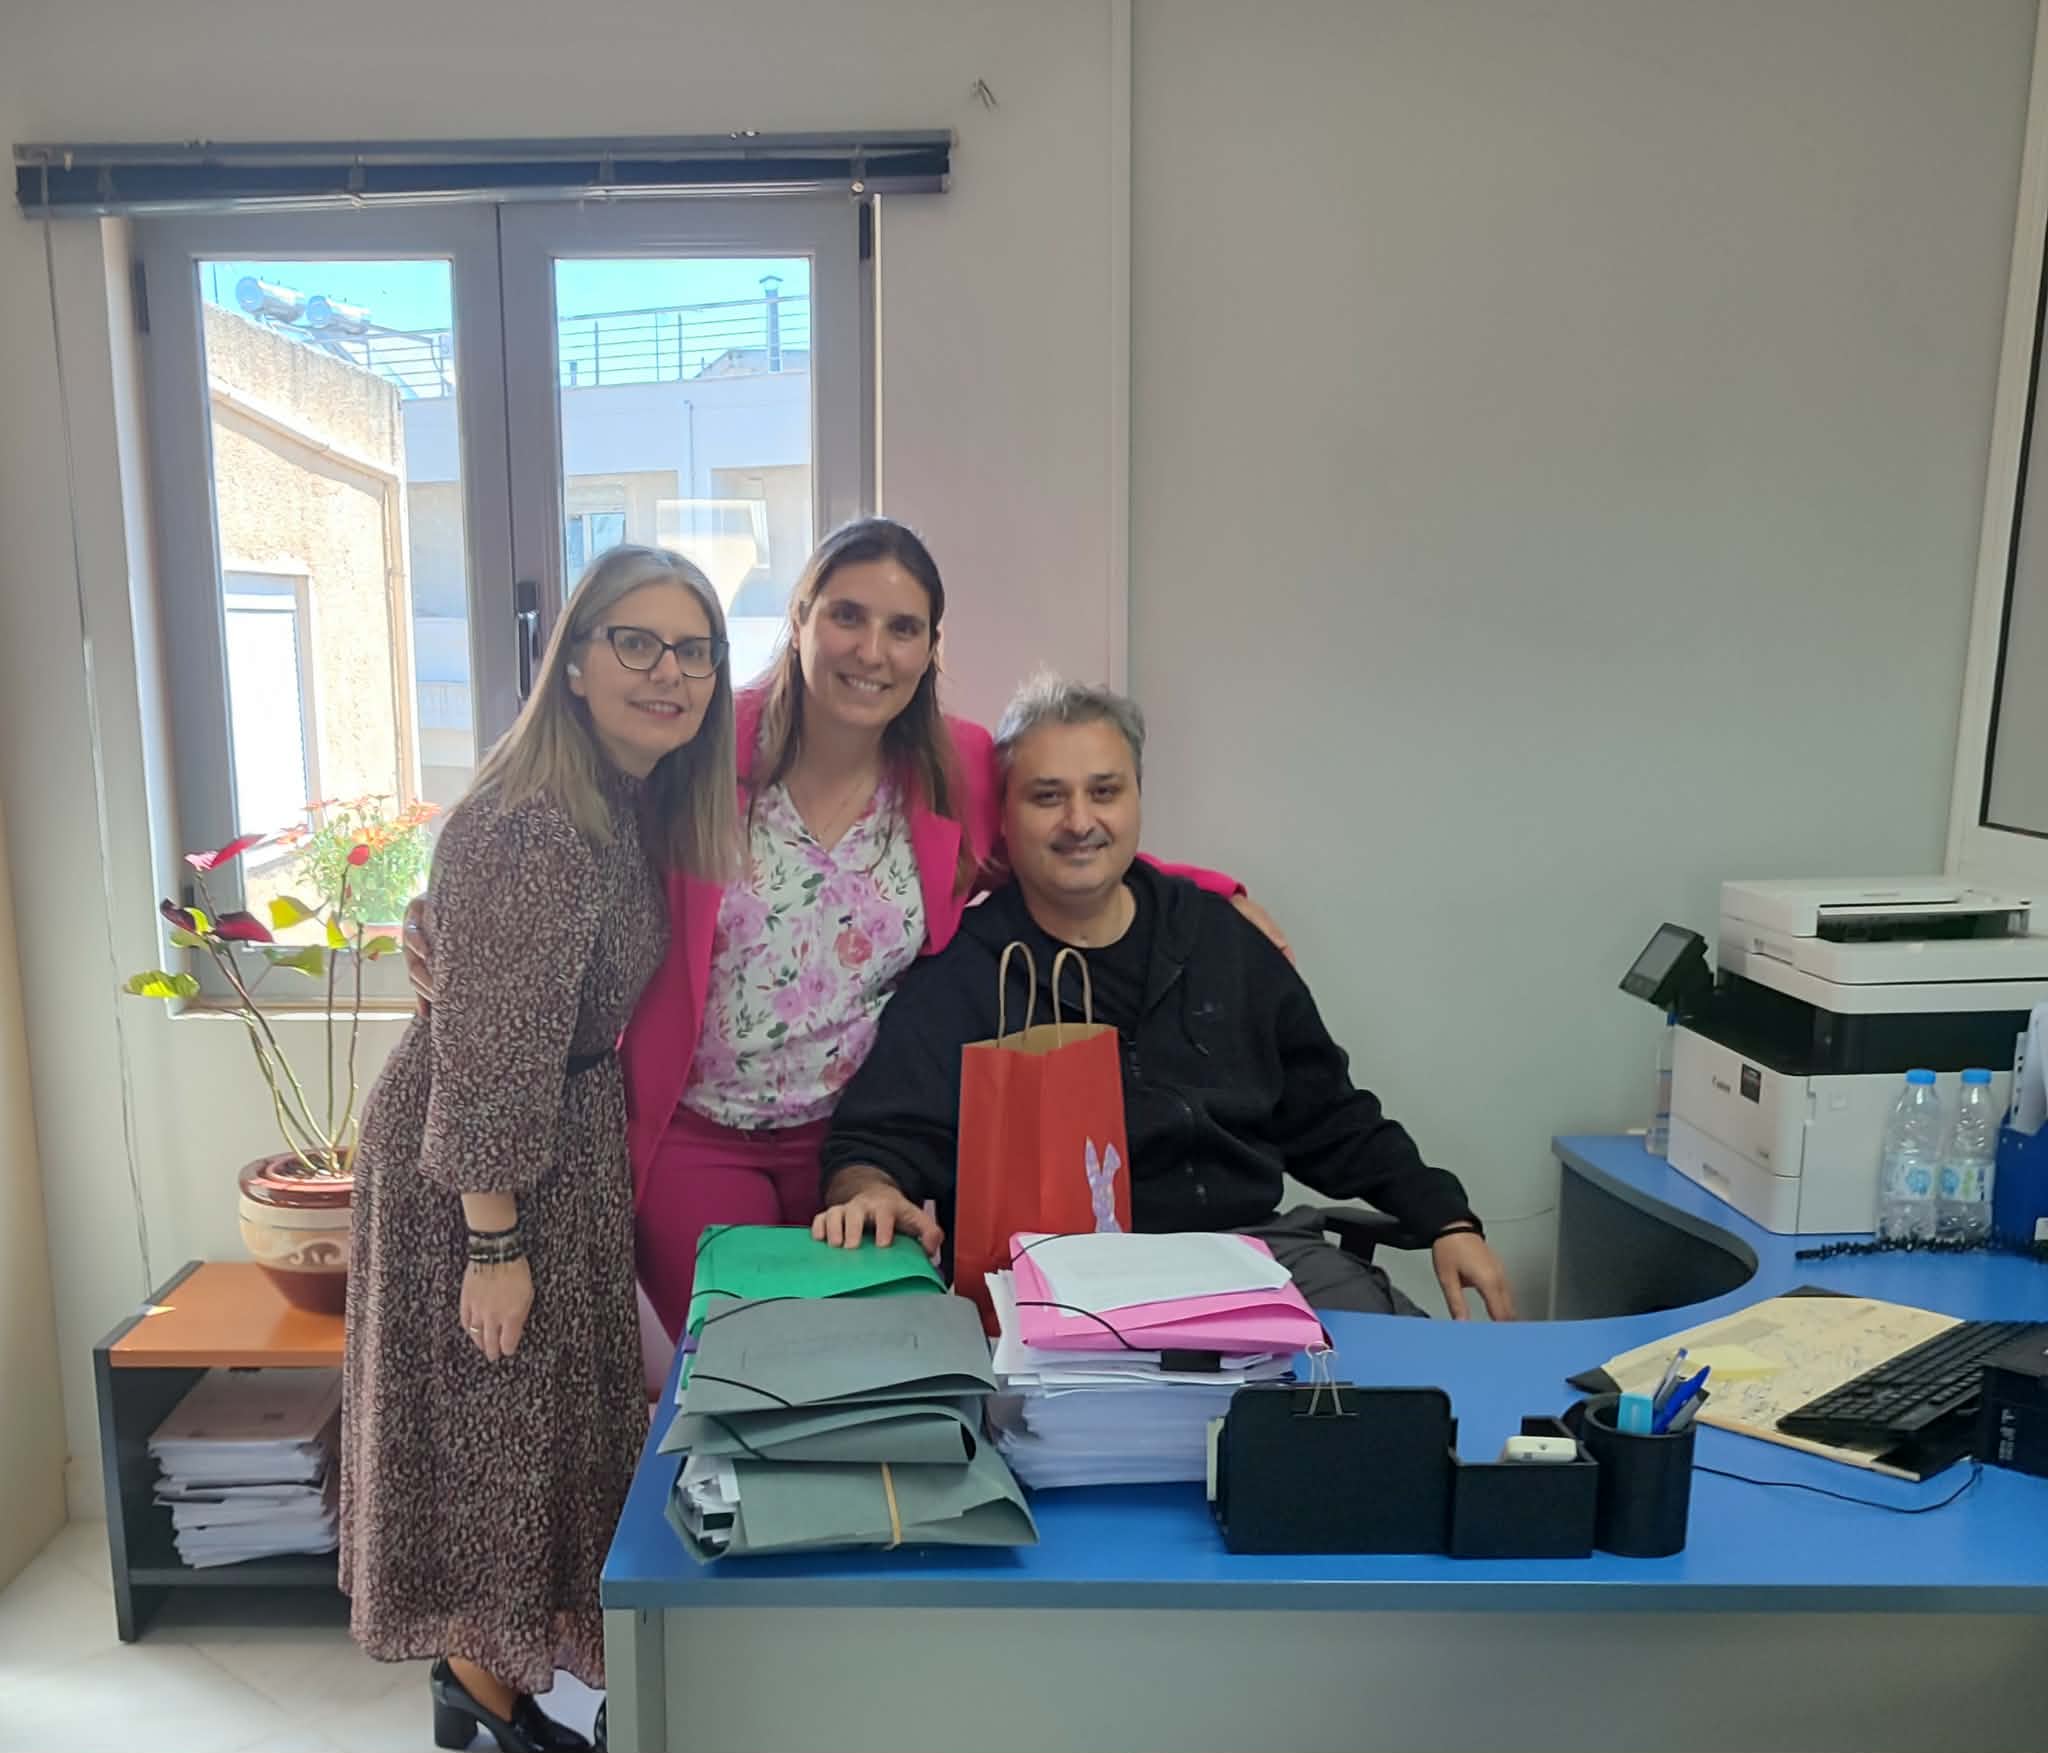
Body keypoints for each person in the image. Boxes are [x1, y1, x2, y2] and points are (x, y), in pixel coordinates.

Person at [409, 519, 1278, 1363]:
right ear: (800, 619)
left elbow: (1060, 838)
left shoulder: (955, 767)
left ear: (930, 648)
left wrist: (1208, 892)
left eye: (903, 628)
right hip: (697, 1138)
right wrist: (450, 911)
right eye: (847, 616)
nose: (872, 650)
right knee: (753, 1369)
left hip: (863, 1146)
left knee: (864, 1373)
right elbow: (579, 832)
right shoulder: (708, 744)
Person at [342, 546, 736, 1753]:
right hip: (481, 1169)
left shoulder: (616, 799)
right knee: (494, 1440)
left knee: (532, 1434)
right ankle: (485, 1693)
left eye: (693, 651)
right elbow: (495, 1052)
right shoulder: (534, 826)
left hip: (543, 1143)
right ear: (572, 662)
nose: (668, 673)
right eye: (636, 642)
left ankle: (490, 1688)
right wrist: (492, 1242)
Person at [813, 674, 1517, 1322]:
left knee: (1413, 1389)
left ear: (1138, 799)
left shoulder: (1221, 939)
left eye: (1105, 792)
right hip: (1061, 1288)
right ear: (1006, 813)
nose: (1079, 821)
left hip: (1254, 1259)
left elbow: (1329, 1114)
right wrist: (869, 1190)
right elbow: (876, 1139)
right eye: (1048, 796)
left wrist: (1445, 1217)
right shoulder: (967, 971)